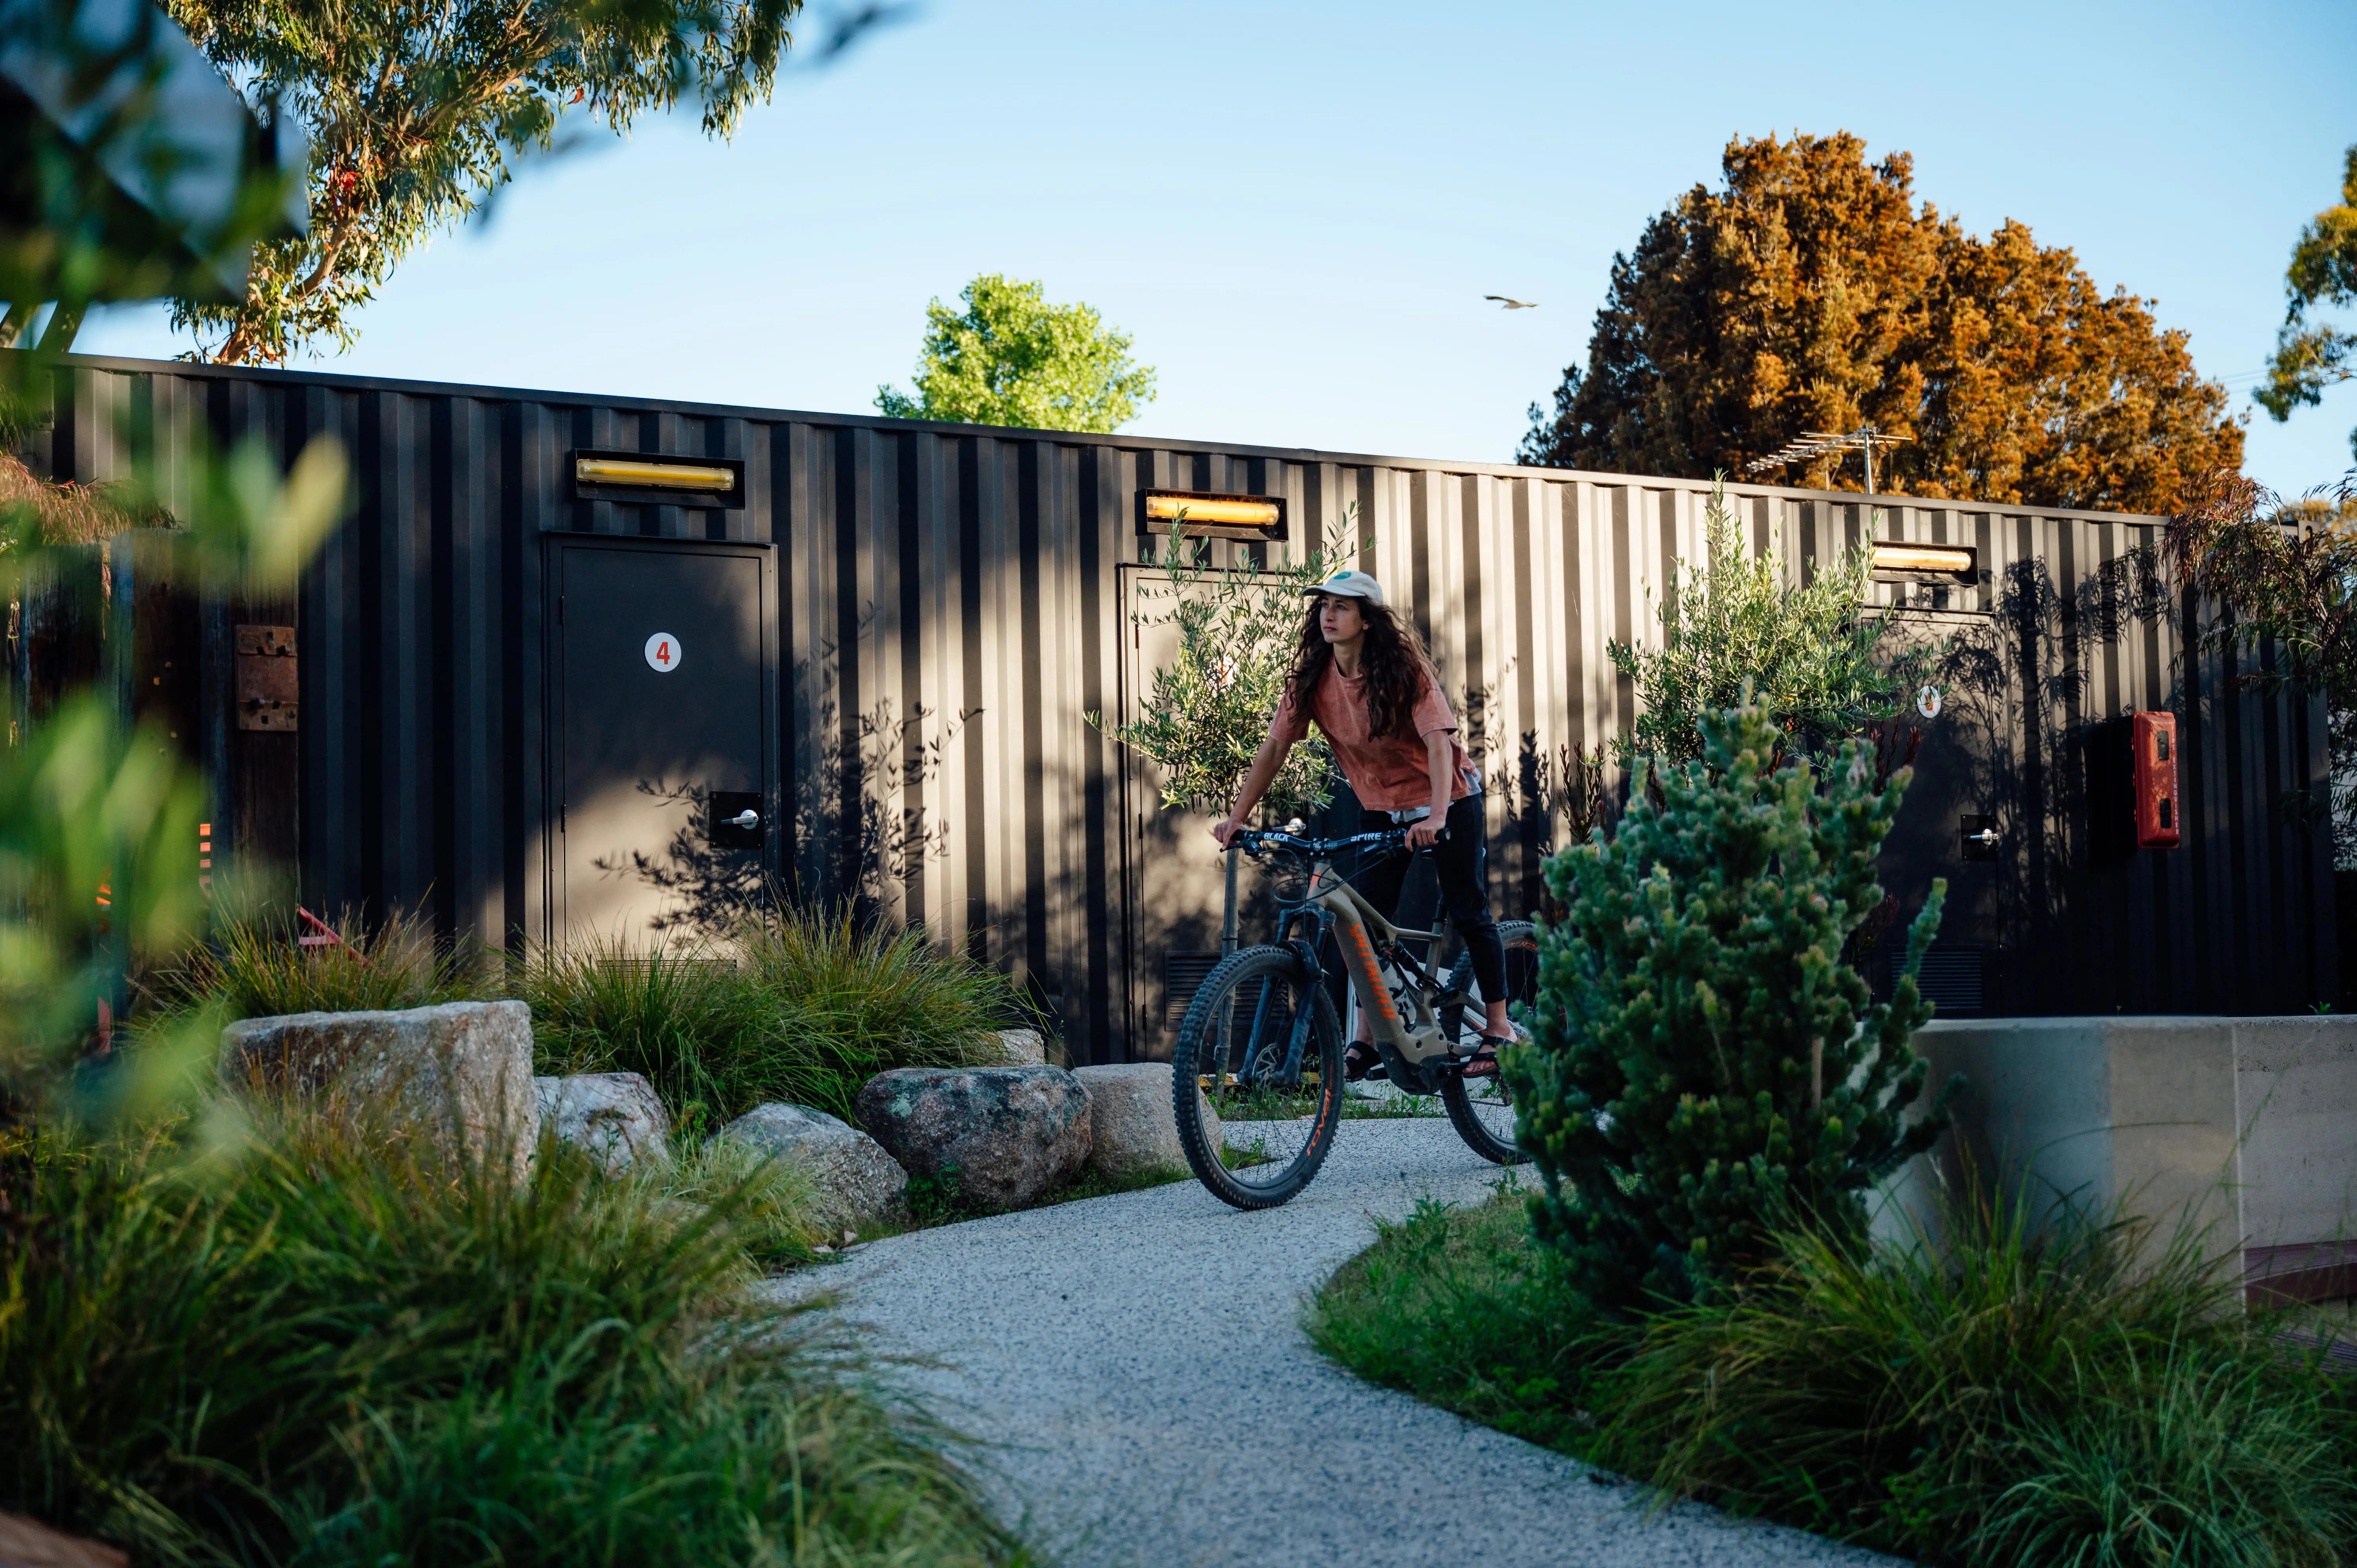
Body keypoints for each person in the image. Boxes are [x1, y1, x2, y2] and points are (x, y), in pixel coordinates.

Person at [1210, 568, 1514, 1075]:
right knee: (1362, 922)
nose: (1329, 615)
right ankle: (1370, 1037)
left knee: (1468, 909)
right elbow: (1276, 747)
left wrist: (1437, 815)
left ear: (1368, 621)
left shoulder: (1402, 671)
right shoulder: (1313, 679)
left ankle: (1499, 1028)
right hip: (1384, 806)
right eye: (1324, 605)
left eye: (1342, 607)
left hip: (1450, 800)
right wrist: (1237, 820)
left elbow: (1440, 745)